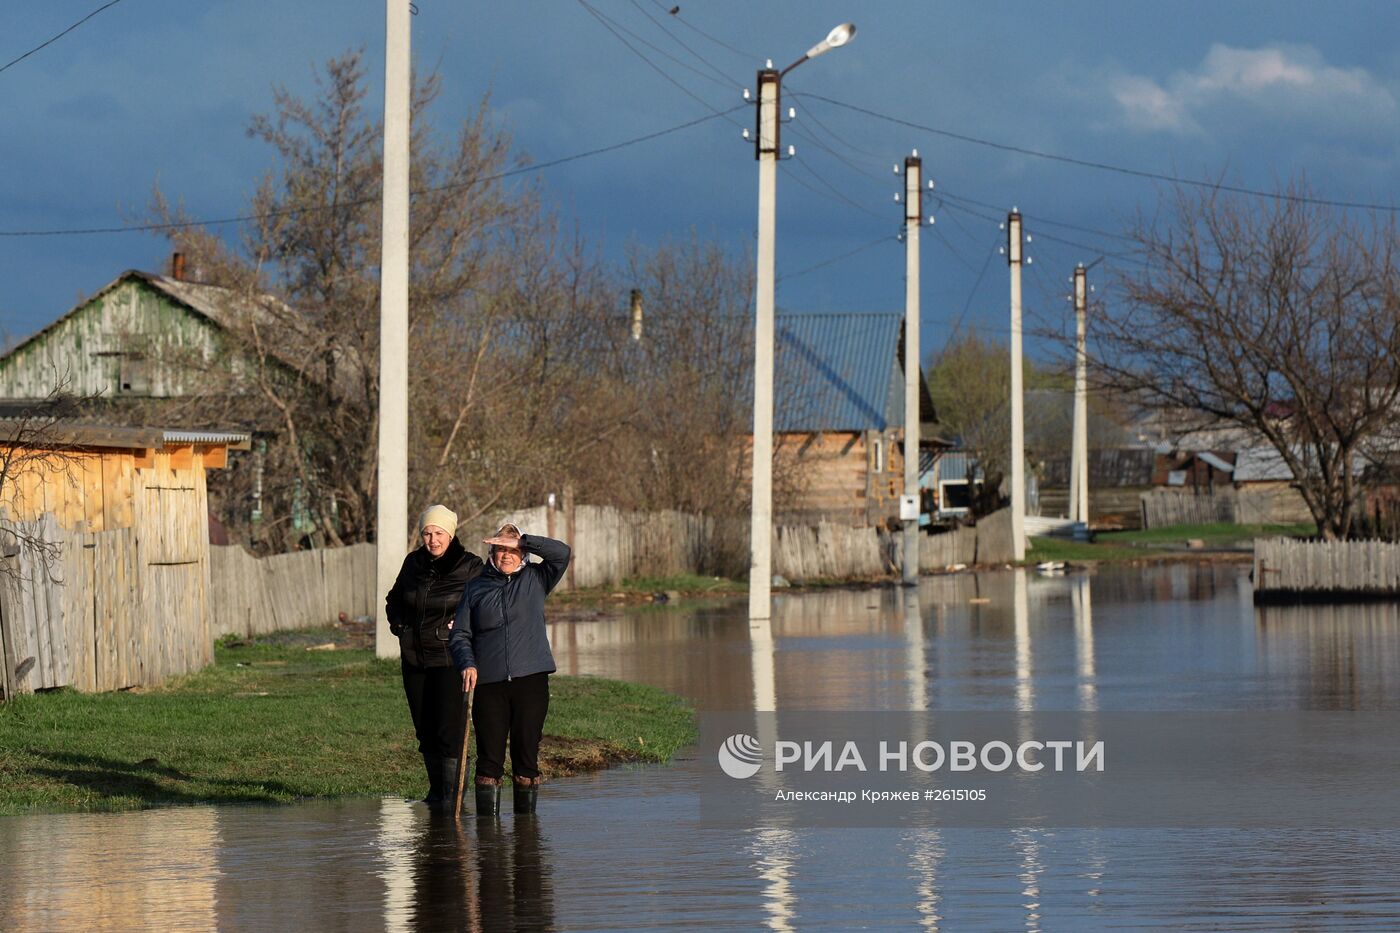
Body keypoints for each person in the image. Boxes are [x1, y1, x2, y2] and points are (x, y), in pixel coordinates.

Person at [450, 522, 571, 815]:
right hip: (488, 682)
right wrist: (467, 663)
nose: (506, 555)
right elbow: (460, 634)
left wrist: (525, 540)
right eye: (500, 549)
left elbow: (562, 553)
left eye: (512, 550)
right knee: (489, 759)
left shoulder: (537, 579)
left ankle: (526, 839)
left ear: (523, 552)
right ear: (491, 552)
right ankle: (489, 844)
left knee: (526, 754)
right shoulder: (476, 587)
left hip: (530, 679)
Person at [385, 504, 484, 809]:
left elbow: (486, 603)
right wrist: (400, 626)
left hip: (450, 658)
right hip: (415, 657)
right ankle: (436, 792)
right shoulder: (413, 563)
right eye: (427, 533)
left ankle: (453, 797)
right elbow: (394, 599)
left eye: (438, 533)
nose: (432, 539)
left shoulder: (470, 566)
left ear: (450, 535)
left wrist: (466, 622)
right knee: (424, 728)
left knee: (448, 730)